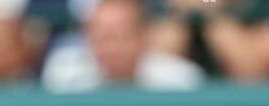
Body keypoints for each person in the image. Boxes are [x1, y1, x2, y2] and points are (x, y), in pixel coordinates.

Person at [41, 0, 204, 92]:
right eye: (103, 38)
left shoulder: (181, 80)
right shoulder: (63, 77)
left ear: (142, 36)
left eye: (120, 36)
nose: (112, 48)